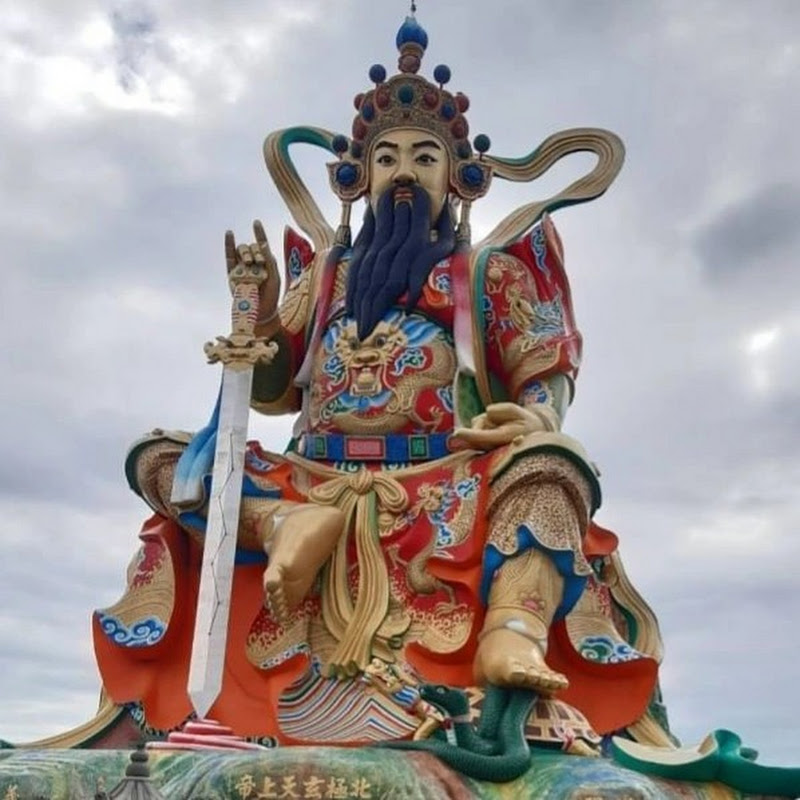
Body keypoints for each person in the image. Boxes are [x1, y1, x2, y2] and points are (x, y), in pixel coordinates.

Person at [93, 15, 667, 746]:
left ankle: (512, 629)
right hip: (310, 484)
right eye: (387, 158)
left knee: (556, 466)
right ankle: (279, 527)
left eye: (424, 158)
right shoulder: (326, 278)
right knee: (163, 458)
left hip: (444, 482)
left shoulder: (487, 274)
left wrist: (538, 418)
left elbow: (541, 368)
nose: (403, 173)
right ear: (359, 179)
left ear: (455, 178)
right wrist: (261, 314)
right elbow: (272, 392)